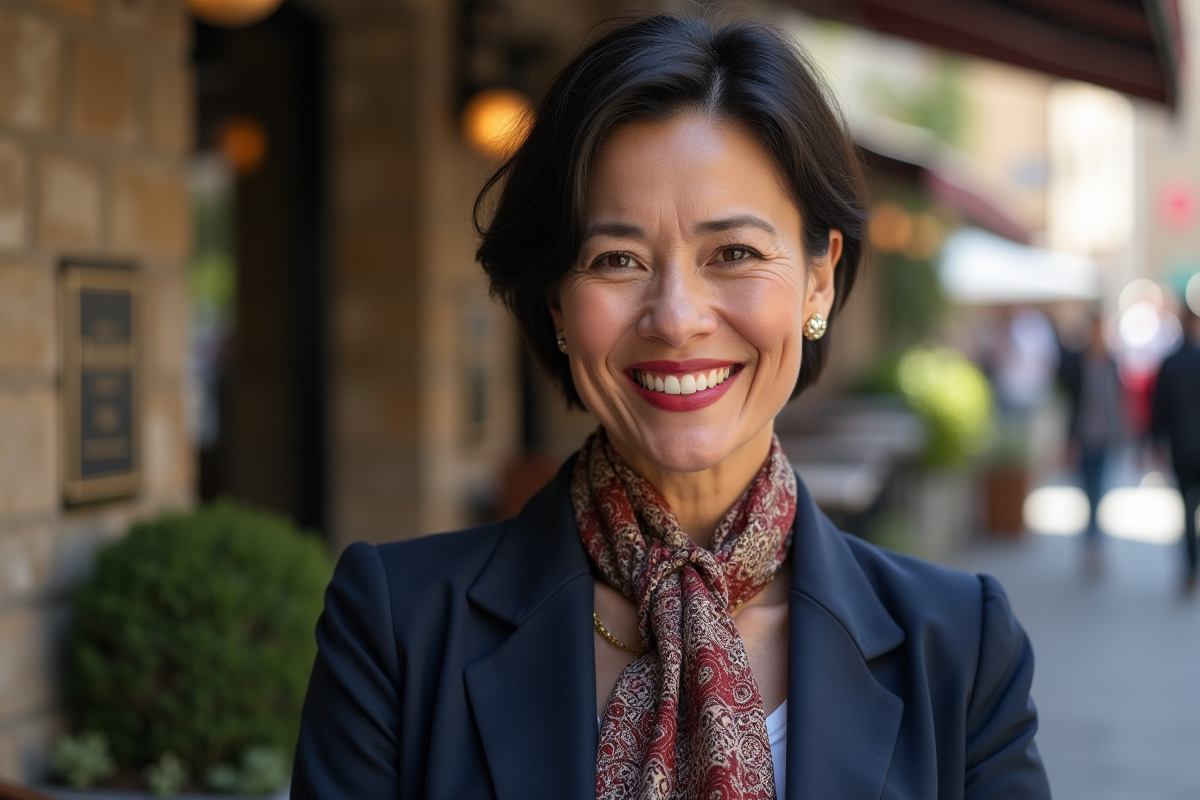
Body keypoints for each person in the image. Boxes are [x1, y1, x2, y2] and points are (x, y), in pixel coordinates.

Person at [291, 15, 1050, 799]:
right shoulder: (398, 628)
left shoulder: (960, 648)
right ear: (556, 301)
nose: (677, 317)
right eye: (617, 259)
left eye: (735, 254)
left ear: (819, 282)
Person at [1058, 312, 1123, 576]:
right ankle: (1091, 542)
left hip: (1106, 437)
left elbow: (1117, 402)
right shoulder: (1077, 362)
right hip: (1083, 437)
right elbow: (1070, 404)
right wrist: (1068, 441)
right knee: (1087, 491)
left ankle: (1093, 543)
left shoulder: (1112, 360)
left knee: (1098, 491)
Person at [1152, 303, 1200, 595]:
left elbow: (1159, 409)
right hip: (1187, 446)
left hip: (1181, 447)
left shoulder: (1171, 363)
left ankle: (1190, 569)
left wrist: (1155, 441)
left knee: (1187, 510)